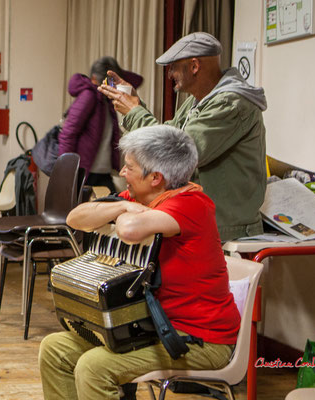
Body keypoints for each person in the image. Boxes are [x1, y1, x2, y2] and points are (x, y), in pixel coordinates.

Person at [38, 125, 241, 400]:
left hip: (198, 339)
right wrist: (122, 206)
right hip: (146, 328)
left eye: (129, 167)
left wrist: (120, 210)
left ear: (155, 177)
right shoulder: (141, 198)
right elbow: (76, 217)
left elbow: (129, 230)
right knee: (54, 349)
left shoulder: (192, 204)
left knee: (94, 367)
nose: (122, 173)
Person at [98, 32, 267, 242]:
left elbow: (178, 153)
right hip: (202, 220)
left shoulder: (230, 103)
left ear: (194, 66)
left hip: (228, 230)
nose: (170, 75)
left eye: (174, 67)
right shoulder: (197, 102)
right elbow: (166, 136)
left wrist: (134, 112)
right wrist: (136, 105)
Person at [59, 56, 143, 194]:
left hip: (102, 172)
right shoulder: (89, 96)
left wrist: (117, 75)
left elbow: (136, 81)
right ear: (94, 79)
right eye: (108, 81)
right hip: (85, 172)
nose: (112, 86)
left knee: (111, 207)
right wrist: (65, 172)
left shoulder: (106, 102)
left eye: (112, 82)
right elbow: (68, 133)